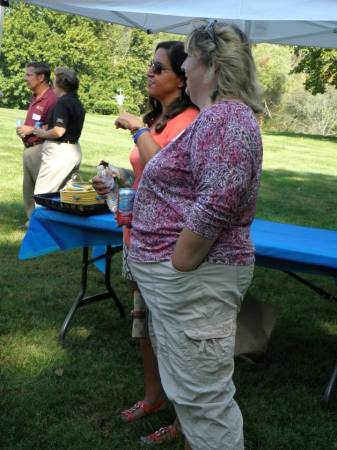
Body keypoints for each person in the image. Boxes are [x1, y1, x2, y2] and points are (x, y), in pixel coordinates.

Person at [127, 22, 263, 450]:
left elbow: (220, 198)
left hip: (195, 281)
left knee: (205, 402)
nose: (183, 66)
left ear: (209, 64)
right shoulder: (218, 117)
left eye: (188, 57)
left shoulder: (226, 119)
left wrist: (180, 262)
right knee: (193, 397)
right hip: (185, 287)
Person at [93, 41, 198, 445]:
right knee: (146, 326)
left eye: (158, 67)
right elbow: (144, 173)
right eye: (150, 65)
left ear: (181, 78)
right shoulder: (158, 120)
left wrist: (136, 128)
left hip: (170, 245)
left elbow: (164, 168)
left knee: (172, 336)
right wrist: (116, 176)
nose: (150, 72)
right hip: (139, 237)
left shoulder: (190, 120)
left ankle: (183, 418)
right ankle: (154, 397)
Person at [16, 61, 58, 224]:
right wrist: (25, 130)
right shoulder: (34, 96)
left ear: (41, 77)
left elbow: (55, 126)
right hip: (29, 148)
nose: (25, 78)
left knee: (42, 189)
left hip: (41, 148)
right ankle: (31, 222)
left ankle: (43, 224)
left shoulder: (51, 99)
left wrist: (30, 130)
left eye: (29, 75)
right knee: (28, 188)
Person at [33, 67, 85, 194]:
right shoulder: (76, 102)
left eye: (54, 81)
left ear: (61, 84)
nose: (52, 84)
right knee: (65, 195)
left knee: (42, 194)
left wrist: (43, 133)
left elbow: (59, 131)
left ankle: (40, 214)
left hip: (59, 152)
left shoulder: (63, 102)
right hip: (73, 150)